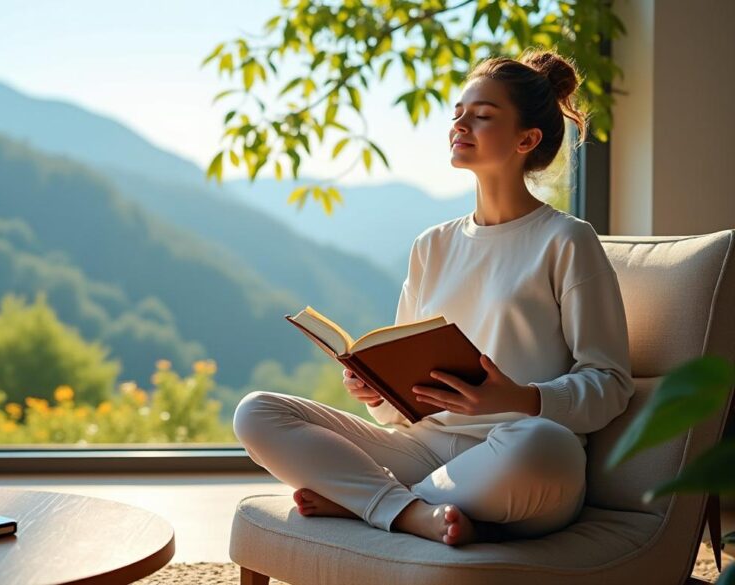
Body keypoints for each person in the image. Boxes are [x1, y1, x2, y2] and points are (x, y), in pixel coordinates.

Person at [231, 48, 635, 546]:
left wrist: (521, 398)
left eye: (483, 116)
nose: (461, 124)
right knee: (257, 411)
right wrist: (378, 391)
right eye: (458, 113)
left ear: (526, 139)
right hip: (424, 448)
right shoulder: (433, 245)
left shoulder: (566, 241)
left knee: (544, 445)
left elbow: (611, 382)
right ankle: (410, 511)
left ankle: (370, 502)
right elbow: (403, 410)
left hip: (516, 454)